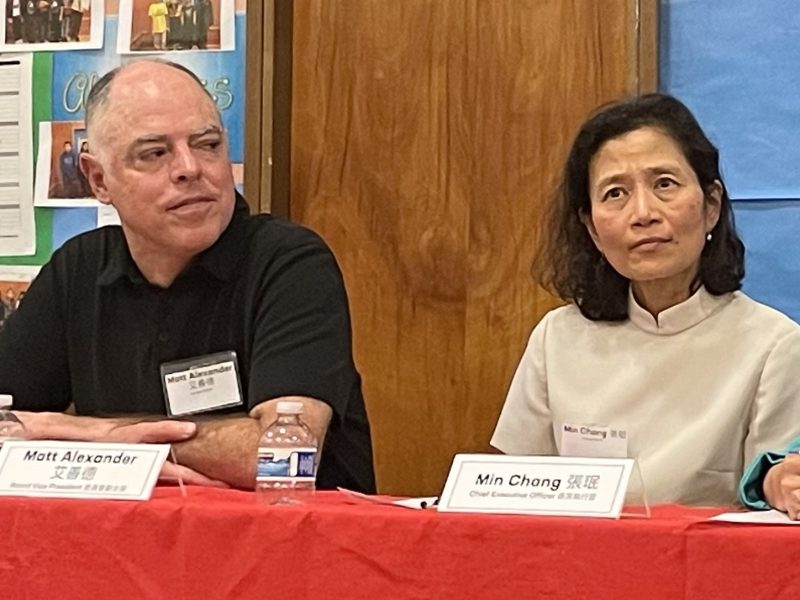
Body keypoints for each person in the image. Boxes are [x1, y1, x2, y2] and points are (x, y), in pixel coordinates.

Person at [0, 60, 375, 493]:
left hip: (282, 548)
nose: (190, 168)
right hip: (128, 549)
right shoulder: (79, 269)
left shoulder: (288, 262)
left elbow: (282, 459)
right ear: (99, 180)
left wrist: (98, 435)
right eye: (155, 153)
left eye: (207, 144)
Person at [490, 93, 800, 506]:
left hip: (704, 568)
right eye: (615, 193)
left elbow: (775, 495)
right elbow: (512, 492)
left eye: (664, 185)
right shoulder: (556, 338)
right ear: (592, 229)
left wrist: (777, 482)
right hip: (577, 563)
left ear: (711, 205)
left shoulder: (774, 344)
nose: (643, 213)